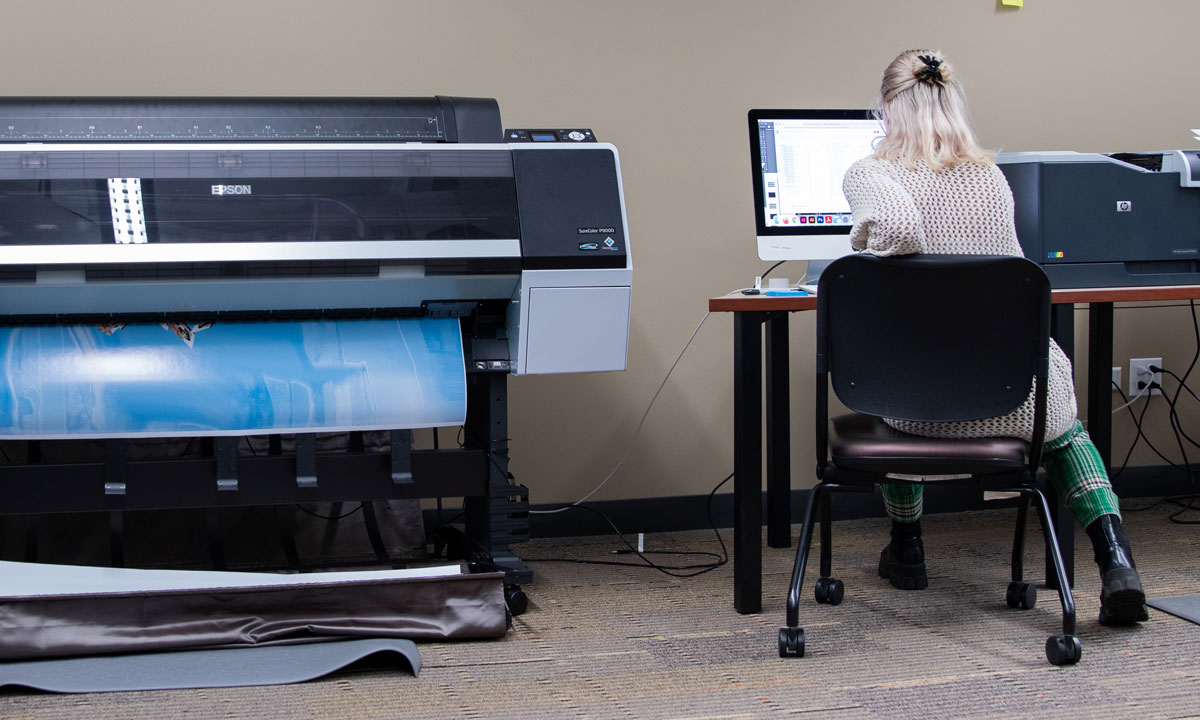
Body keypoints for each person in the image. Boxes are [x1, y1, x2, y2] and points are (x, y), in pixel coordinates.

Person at [841, 49, 1148, 625]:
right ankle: (1117, 563)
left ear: (886, 110)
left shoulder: (870, 171)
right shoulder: (989, 175)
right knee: (1064, 429)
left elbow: (897, 227)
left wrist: (861, 252)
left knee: (891, 390)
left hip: (920, 408)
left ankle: (907, 549)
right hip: (1015, 399)